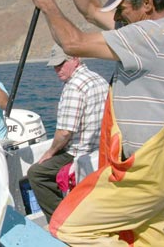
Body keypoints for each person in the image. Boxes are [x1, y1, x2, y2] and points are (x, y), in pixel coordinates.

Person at [32, 0, 164, 246]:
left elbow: (73, 42)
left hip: (143, 177)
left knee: (69, 226)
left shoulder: (148, 37)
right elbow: (92, 9)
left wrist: (48, 6)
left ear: (147, 3)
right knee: (150, 238)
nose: (117, 16)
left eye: (122, 8)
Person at [27, 43, 108, 223]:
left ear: (75, 58)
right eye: (55, 65)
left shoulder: (73, 87)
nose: (57, 69)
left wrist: (49, 153)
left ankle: (62, 221)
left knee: (37, 174)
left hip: (79, 152)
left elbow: (64, 133)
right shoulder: (98, 78)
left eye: (61, 63)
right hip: (101, 149)